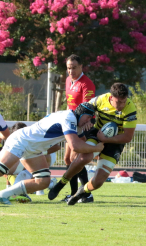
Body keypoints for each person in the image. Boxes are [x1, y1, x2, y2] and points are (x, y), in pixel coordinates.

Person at [0, 102, 104, 205]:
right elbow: (75, 146)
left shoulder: (76, 123)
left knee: (43, 181)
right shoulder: (69, 117)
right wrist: (97, 147)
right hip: (22, 140)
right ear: (82, 113)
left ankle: (1, 195)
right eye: (89, 117)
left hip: (34, 148)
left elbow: (82, 145)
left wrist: (90, 140)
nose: (89, 121)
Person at [48, 82, 137, 205]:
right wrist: (85, 122)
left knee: (99, 181)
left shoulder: (130, 108)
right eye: (118, 102)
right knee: (84, 157)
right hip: (97, 134)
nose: (122, 105)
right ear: (111, 98)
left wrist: (105, 139)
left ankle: (81, 191)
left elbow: (127, 137)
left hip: (116, 141)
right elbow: (84, 108)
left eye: (124, 101)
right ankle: (61, 183)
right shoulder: (100, 100)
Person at [63, 54, 96, 203]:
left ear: (81, 67)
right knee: (67, 160)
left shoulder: (86, 84)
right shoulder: (68, 81)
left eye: (74, 67)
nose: (71, 71)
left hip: (80, 126)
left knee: (74, 159)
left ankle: (83, 193)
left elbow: (87, 107)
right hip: (70, 124)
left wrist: (87, 122)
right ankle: (79, 193)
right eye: (69, 68)